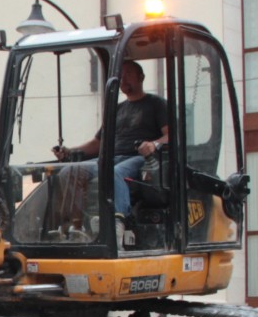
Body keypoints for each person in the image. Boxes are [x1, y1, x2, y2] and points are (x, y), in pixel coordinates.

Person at [53, 59, 170, 222]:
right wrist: (69, 152)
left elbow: (170, 135)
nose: (123, 79)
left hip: (139, 159)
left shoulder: (156, 104)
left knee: (115, 173)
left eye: (128, 74)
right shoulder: (117, 109)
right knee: (69, 172)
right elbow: (98, 143)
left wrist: (153, 144)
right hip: (111, 159)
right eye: (120, 76)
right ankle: (77, 225)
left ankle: (118, 222)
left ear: (141, 77)